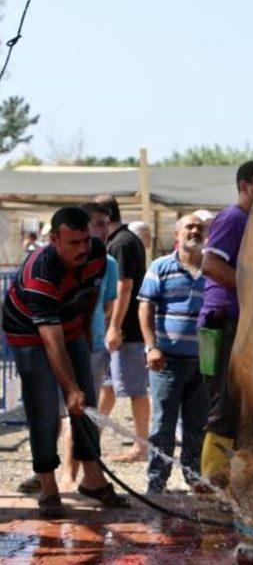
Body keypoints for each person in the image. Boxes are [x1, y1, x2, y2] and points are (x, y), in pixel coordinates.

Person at [2, 207, 128, 517]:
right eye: (74, 243)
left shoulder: (96, 254)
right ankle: (49, 488)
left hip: (70, 326)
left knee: (85, 404)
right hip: (29, 334)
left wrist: (84, 341)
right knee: (45, 408)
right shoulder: (40, 273)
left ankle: (93, 481)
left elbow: (90, 297)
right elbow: (50, 342)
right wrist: (69, 387)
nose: (83, 249)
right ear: (54, 239)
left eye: (86, 240)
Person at [199, 160, 253, 478]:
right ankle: (212, 482)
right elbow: (210, 264)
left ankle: (231, 479)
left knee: (237, 404)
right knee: (223, 405)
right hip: (222, 322)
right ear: (244, 187)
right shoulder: (233, 218)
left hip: (238, 323)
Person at [138, 214, 209, 494]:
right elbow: (145, 307)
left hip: (203, 362)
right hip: (166, 361)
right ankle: (157, 482)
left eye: (200, 228)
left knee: (198, 426)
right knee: (162, 426)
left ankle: (194, 478)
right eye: (189, 227)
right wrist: (151, 346)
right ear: (176, 234)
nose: (195, 231)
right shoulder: (160, 267)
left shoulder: (213, 269)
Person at [59, 203, 118, 489]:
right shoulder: (54, 261)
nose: (102, 229)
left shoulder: (107, 261)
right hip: (56, 344)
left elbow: (104, 302)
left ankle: (86, 476)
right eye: (96, 223)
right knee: (57, 413)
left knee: (82, 413)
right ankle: (62, 474)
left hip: (91, 345)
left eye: (105, 223)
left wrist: (91, 337)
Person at [95, 195, 149, 462]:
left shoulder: (122, 243)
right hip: (117, 330)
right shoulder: (122, 240)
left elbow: (124, 285)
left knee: (135, 389)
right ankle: (92, 438)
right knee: (107, 386)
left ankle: (141, 446)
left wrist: (115, 326)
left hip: (126, 331)